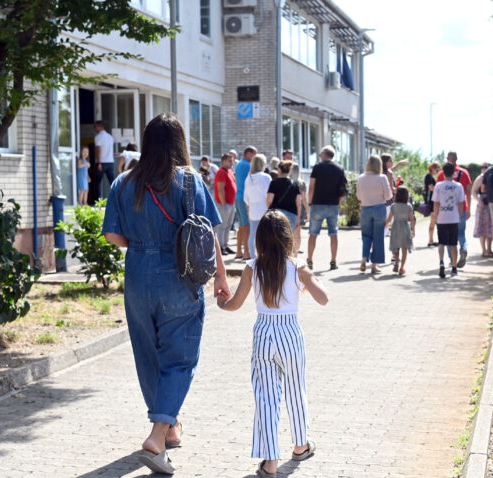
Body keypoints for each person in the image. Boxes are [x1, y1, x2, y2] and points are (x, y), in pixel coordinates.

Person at [102, 113, 230, 475]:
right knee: (180, 356)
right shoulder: (191, 181)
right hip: (180, 276)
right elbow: (208, 235)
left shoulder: (124, 182)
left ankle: (170, 427)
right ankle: (157, 437)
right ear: (179, 143)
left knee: (148, 355)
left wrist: (142, 245)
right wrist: (221, 276)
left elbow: (112, 236)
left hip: (138, 274)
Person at [216, 210, 328, 478]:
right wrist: (311, 278)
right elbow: (323, 299)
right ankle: (301, 445)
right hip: (290, 332)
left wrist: (220, 301)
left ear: (260, 239)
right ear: (288, 237)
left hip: (264, 332)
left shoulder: (253, 267)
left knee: (266, 398)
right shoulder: (298, 268)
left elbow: (235, 304)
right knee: (295, 390)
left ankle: (270, 462)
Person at [307, 146, 348, 271]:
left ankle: (309, 261)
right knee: (333, 234)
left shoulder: (317, 167)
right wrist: (338, 202)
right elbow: (345, 188)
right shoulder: (339, 169)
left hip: (318, 204)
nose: (320, 156)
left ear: (324, 154)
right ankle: (333, 261)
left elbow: (312, 186)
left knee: (313, 234)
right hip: (333, 205)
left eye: (320, 154)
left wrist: (310, 202)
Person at [356, 154, 392, 274]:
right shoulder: (382, 177)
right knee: (378, 237)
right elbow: (388, 196)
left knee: (366, 236)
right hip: (379, 208)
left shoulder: (361, 178)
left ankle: (363, 259)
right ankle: (374, 265)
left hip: (365, 209)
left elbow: (358, 196)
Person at [437, 151, 472, 267]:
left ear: (447, 159)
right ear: (457, 159)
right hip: (461, 208)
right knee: (461, 233)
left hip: (446, 210)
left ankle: (452, 260)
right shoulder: (464, 172)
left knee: (448, 236)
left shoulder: (441, 174)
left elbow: (438, 195)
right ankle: (463, 249)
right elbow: (468, 192)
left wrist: (436, 214)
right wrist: (469, 209)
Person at [433, 162, 466, 278]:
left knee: (441, 242)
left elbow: (436, 203)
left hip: (442, 217)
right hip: (453, 217)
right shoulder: (458, 186)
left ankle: (441, 262)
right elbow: (461, 203)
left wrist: (435, 216)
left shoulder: (438, 186)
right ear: (453, 173)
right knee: (453, 244)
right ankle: (454, 267)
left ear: (443, 173)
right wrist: (460, 215)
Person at [267, 160, 303, 253]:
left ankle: (278, 258)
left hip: (277, 214)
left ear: (279, 170)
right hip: (292, 215)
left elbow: (269, 199)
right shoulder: (295, 184)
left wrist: (269, 210)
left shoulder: (274, 182)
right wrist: (298, 218)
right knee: (288, 238)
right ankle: (290, 258)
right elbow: (299, 203)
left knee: (277, 238)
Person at [243, 154, 271, 260]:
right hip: (264, 209)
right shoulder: (265, 177)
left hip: (253, 210)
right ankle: (265, 256)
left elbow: (246, 199)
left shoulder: (248, 179)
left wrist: (248, 212)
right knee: (266, 235)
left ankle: (254, 257)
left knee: (253, 235)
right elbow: (269, 195)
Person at [235, 146, 257, 260]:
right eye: (254, 154)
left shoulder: (239, 164)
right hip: (244, 198)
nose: (255, 158)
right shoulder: (248, 165)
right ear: (249, 153)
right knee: (246, 226)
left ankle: (239, 251)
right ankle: (247, 252)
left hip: (238, 197)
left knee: (241, 226)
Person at [388, 186, 416, 275]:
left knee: (395, 247)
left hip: (395, 227)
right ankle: (402, 267)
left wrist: (385, 225)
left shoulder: (393, 206)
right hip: (405, 228)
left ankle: (396, 261)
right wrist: (413, 230)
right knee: (404, 249)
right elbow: (412, 219)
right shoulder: (408, 206)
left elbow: (389, 218)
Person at [381, 153, 409, 239]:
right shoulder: (389, 172)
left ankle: (374, 245)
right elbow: (391, 189)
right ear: (385, 162)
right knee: (393, 223)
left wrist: (399, 164)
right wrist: (402, 190)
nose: (392, 162)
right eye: (390, 160)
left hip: (380, 201)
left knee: (384, 224)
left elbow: (392, 169)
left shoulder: (380, 172)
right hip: (389, 202)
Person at [215, 152, 237, 256]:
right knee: (222, 226)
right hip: (224, 204)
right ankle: (220, 247)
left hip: (231, 203)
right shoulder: (221, 172)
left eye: (232, 161)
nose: (231, 163)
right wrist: (224, 204)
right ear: (223, 161)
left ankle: (225, 245)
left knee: (228, 225)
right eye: (229, 161)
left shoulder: (229, 171)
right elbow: (220, 189)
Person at [472, 163, 493, 257]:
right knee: (482, 228)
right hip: (483, 205)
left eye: (486, 167)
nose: (484, 169)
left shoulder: (492, 177)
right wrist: (479, 201)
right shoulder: (480, 178)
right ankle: (484, 250)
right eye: (483, 167)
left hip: (491, 204)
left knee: (490, 227)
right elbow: (473, 191)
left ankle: (489, 249)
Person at [289, 163, 309, 253]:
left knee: (289, 230)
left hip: (289, 206)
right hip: (299, 208)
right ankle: (296, 251)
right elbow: (304, 198)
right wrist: (308, 210)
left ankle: (290, 249)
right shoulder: (301, 183)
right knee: (297, 231)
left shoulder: (288, 181)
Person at [94, 120, 115, 195]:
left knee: (97, 182)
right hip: (110, 162)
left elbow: (98, 150)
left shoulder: (98, 137)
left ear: (99, 127)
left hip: (101, 162)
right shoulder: (110, 137)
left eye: (95, 126)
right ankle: (116, 199)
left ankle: (97, 201)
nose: (94, 128)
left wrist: (99, 162)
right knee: (112, 182)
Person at [424, 162, 440, 246]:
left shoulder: (430, 176)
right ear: (432, 168)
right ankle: (430, 241)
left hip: (433, 201)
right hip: (431, 201)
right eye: (436, 168)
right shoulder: (428, 177)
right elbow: (431, 188)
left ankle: (431, 240)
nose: (438, 170)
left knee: (434, 221)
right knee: (433, 221)